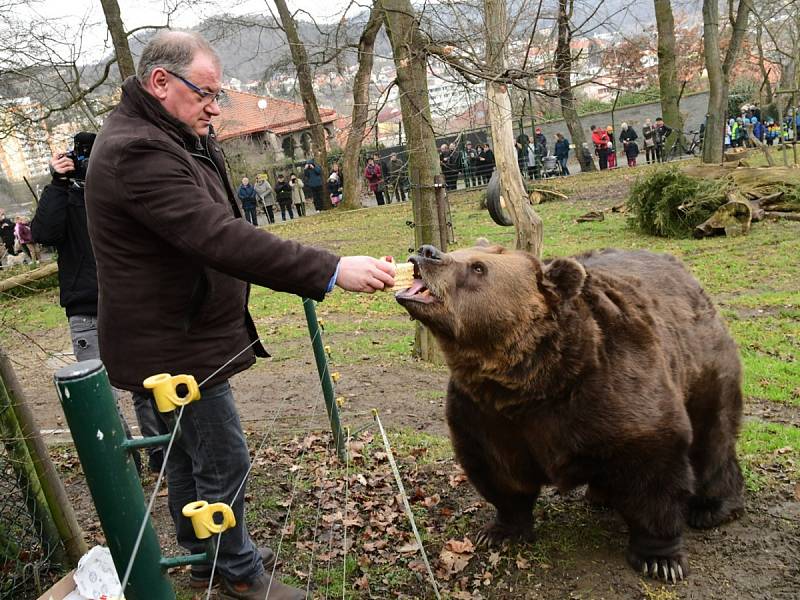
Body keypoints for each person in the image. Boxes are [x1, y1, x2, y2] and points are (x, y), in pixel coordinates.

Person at [84, 31, 395, 600]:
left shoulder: (174, 135)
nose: (215, 106)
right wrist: (329, 269)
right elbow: (218, 236)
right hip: (174, 348)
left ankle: (209, 556)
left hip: (176, 333)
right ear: (160, 83)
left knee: (183, 462)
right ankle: (240, 573)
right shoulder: (139, 151)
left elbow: (219, 227)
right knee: (221, 458)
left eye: (217, 94)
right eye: (206, 93)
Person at [31, 134, 165, 473]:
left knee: (146, 384)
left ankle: (160, 456)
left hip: (129, 301)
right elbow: (44, 232)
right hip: (86, 308)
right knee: (99, 394)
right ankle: (124, 467)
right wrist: (58, 182)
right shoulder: (64, 193)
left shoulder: (119, 185)